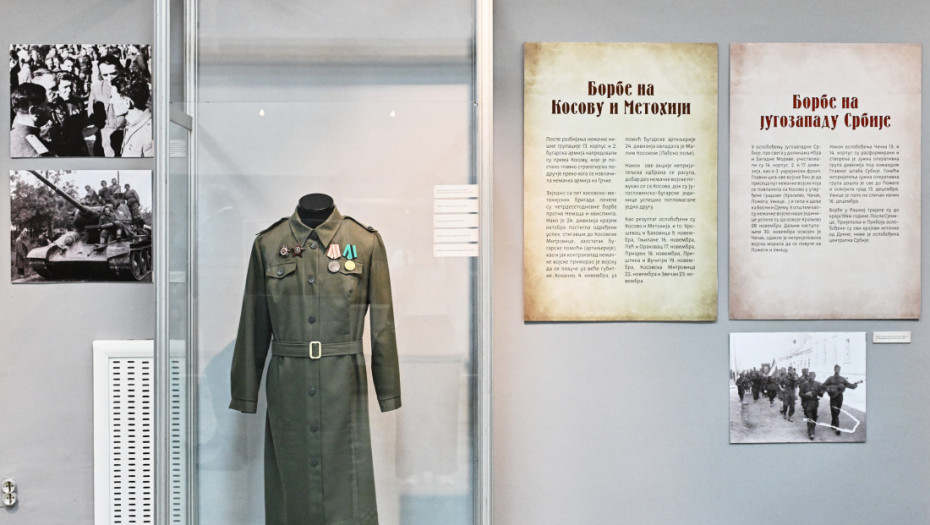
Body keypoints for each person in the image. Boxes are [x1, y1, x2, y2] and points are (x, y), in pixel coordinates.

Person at [87, 54, 126, 157]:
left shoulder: (129, 86)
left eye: (113, 73)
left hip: (127, 137)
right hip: (105, 141)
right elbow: (91, 115)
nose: (110, 78)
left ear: (120, 70)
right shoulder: (96, 88)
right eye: (105, 75)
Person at [110, 73, 153, 157]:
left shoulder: (150, 133)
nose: (111, 102)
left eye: (113, 98)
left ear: (127, 102)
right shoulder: (132, 124)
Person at [49, 72, 89, 156]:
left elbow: (83, 125)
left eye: (70, 86)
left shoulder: (78, 102)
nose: (69, 90)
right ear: (56, 88)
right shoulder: (52, 106)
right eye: (65, 87)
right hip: (60, 148)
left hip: (78, 145)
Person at [10, 82, 53, 157]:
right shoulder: (36, 155)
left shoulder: (11, 135)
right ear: (33, 111)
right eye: (46, 105)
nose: (50, 109)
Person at [821, 364, 862, 436]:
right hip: (833, 397)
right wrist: (829, 389)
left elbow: (850, 386)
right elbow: (823, 385)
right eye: (836, 369)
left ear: (840, 370)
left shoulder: (842, 379)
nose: (837, 370)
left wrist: (856, 384)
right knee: (834, 411)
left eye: (838, 369)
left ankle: (833, 424)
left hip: (840, 397)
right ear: (834, 370)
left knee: (837, 411)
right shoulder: (830, 378)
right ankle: (837, 428)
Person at [799, 371, 824, 440]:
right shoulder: (805, 384)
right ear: (808, 377)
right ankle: (811, 433)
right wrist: (806, 395)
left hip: (815, 404)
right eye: (810, 377)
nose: (811, 378)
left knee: (814, 418)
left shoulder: (817, 384)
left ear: (815, 377)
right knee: (810, 418)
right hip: (807, 404)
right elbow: (800, 394)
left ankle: (810, 429)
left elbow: (820, 394)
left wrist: (822, 392)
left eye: (813, 377)